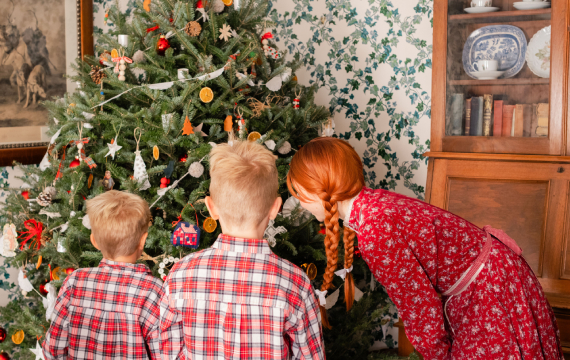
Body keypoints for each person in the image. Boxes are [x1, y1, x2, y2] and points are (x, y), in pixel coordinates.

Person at [286, 137, 564, 360]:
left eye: (300, 193)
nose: (299, 203)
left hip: (491, 290)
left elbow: (420, 307)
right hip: (493, 280)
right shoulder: (373, 204)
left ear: (321, 188)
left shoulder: (375, 229)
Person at [159, 141, 325, 360]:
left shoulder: (179, 275)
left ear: (211, 207)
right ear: (275, 208)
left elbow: (167, 353)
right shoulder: (295, 284)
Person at [43, 190, 163, 359]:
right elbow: (164, 352)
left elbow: (52, 350)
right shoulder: (153, 290)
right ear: (142, 241)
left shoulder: (75, 282)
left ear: (95, 241)